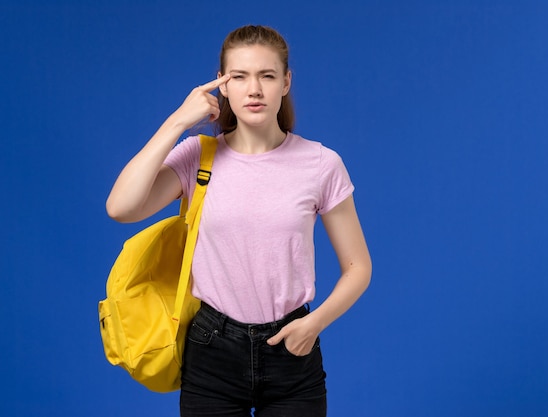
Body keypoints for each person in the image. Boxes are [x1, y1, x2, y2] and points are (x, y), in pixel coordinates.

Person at [106, 24, 371, 417]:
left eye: (267, 76)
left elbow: (358, 266)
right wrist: (179, 120)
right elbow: (121, 208)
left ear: (286, 82)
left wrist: (314, 324)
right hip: (211, 348)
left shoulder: (321, 164)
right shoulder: (199, 157)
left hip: (292, 350)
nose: (255, 89)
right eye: (240, 77)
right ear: (221, 85)